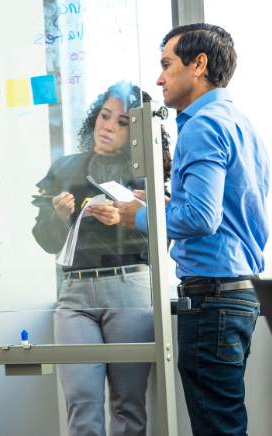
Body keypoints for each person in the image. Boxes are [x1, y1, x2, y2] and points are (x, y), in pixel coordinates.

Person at [116, 24, 269, 435]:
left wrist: (142, 218)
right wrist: (168, 207)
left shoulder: (202, 125)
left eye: (166, 65)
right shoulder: (241, 123)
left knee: (217, 427)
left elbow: (203, 219)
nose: (159, 78)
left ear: (198, 64)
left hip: (213, 299)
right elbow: (227, 212)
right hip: (239, 293)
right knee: (225, 420)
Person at [32, 82, 172, 436]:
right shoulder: (65, 167)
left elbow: (165, 237)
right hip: (74, 295)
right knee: (81, 403)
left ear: (138, 131)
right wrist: (60, 218)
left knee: (128, 405)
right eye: (104, 115)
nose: (107, 125)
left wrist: (127, 220)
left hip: (130, 290)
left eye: (122, 122)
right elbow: (47, 242)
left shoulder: (146, 173)